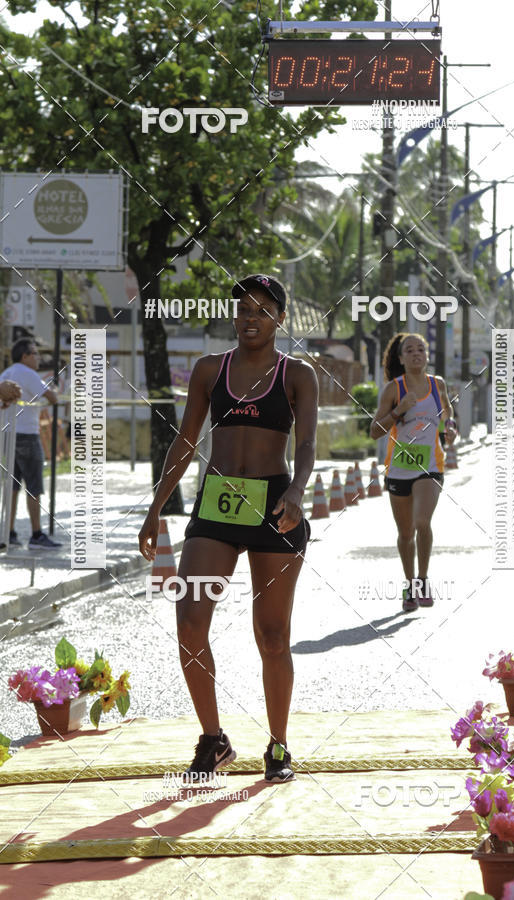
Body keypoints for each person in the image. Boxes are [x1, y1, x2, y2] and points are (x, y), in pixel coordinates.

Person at [138, 274, 318, 783]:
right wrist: (156, 508)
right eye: (243, 309)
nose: (249, 318)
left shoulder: (297, 375)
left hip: (275, 506)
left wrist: (298, 492)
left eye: (262, 310)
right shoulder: (209, 370)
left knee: (272, 635)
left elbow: (305, 445)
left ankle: (279, 745)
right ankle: (213, 739)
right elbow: (185, 441)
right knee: (190, 622)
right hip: (216, 509)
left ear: (281, 318)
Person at [370, 332, 457, 611]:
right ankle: (409, 586)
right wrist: (398, 411)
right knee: (406, 533)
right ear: (401, 358)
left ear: (427, 356)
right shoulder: (393, 389)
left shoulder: (437, 385)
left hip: (430, 466)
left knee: (422, 522)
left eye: (421, 349)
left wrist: (450, 429)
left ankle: (422, 580)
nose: (416, 353)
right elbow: (374, 431)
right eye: (410, 350)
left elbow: (447, 414)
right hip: (398, 469)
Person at [0, 338, 62, 549]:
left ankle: (9, 533)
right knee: (34, 486)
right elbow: (52, 397)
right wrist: (55, 391)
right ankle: (36, 535)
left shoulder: (6, 374)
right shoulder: (28, 373)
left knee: (12, 487)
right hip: (27, 434)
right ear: (25, 356)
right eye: (34, 353)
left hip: (8, 435)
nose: (38, 358)